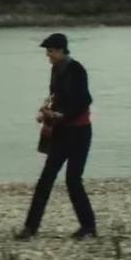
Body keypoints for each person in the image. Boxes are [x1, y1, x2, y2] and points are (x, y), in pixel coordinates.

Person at [19, 32, 97, 240]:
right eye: (47, 51)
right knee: (46, 179)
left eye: (51, 51)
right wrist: (46, 112)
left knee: (73, 180)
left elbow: (84, 101)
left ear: (61, 50)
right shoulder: (55, 69)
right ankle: (30, 228)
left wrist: (61, 115)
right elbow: (56, 97)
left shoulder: (77, 69)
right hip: (61, 132)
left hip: (80, 132)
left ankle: (88, 226)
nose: (48, 55)